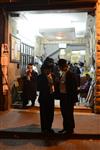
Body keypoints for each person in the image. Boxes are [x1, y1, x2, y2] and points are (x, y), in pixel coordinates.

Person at [58, 59, 78, 134]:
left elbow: (73, 87)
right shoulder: (62, 73)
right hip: (63, 96)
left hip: (68, 97)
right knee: (64, 113)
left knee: (69, 113)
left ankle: (70, 129)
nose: (58, 68)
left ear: (62, 66)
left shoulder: (70, 74)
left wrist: (74, 100)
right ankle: (65, 128)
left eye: (59, 66)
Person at [37, 64, 55, 134]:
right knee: (43, 114)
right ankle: (44, 128)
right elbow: (38, 87)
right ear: (44, 70)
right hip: (43, 97)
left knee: (51, 113)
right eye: (47, 69)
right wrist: (47, 86)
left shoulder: (53, 76)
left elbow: (55, 86)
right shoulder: (40, 77)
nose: (48, 70)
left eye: (50, 69)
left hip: (51, 97)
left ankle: (49, 127)